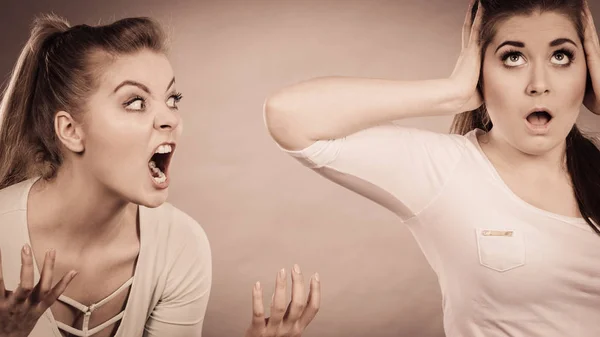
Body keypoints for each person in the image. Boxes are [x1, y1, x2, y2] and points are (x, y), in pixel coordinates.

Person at [264, 0, 600, 336]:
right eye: (513, 57)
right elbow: (288, 114)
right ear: (480, 69)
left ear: (587, 70)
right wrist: (452, 92)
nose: (539, 84)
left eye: (561, 57)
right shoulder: (446, 169)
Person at [0, 14, 320, 337]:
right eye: (136, 102)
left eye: (172, 99)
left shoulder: (180, 246)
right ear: (70, 131)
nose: (169, 118)